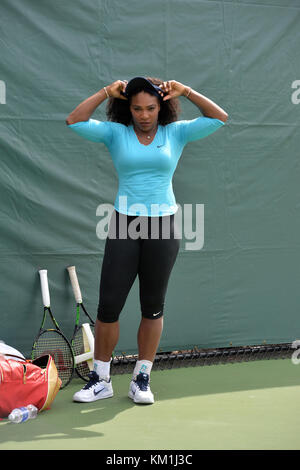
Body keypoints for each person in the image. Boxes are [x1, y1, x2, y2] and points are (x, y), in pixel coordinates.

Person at [66, 76, 228, 405]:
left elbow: (219, 117)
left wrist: (187, 91)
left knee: (152, 307)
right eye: (137, 108)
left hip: (164, 227)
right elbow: (75, 120)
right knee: (109, 307)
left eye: (151, 108)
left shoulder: (176, 132)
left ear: (162, 107)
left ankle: (142, 378)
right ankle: (101, 378)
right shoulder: (116, 133)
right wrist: (103, 92)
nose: (144, 115)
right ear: (127, 108)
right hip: (125, 223)